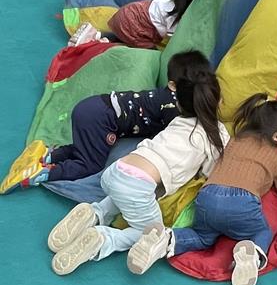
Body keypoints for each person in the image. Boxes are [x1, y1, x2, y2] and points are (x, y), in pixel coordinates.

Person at [46, 66, 227, 276]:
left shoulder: (177, 121)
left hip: (118, 170)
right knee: (150, 233)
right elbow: (211, 170)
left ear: (180, 104)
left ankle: (95, 212)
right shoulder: (217, 134)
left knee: (126, 197)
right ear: (218, 101)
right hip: (138, 185)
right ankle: (104, 239)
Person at [127, 94, 277, 285]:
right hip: (242, 203)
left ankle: (165, 239)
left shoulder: (236, 140)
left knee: (202, 236)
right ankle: (252, 255)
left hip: (208, 196)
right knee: (261, 232)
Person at [0, 50, 214, 193]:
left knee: (86, 148)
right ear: (174, 86)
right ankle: (41, 173)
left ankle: (47, 154)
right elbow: (171, 136)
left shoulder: (165, 94)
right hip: (101, 118)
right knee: (89, 164)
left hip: (96, 105)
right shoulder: (172, 106)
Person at [69, 0, 205, 49]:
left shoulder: (171, 2)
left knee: (124, 35)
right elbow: (176, 40)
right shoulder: (173, 20)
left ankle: (98, 34)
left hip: (129, 12)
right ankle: (98, 42)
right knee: (149, 52)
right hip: (131, 24)